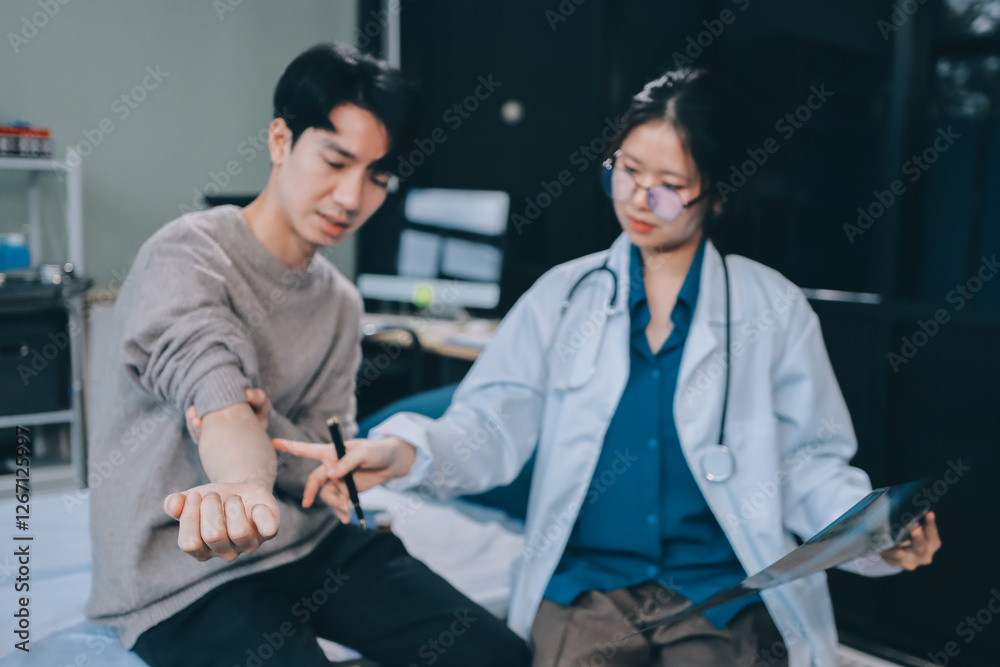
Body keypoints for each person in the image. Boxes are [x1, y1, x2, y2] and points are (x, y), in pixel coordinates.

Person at [273, 68, 941, 667]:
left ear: (718, 191)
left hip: (721, 589)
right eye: (627, 170)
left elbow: (810, 462)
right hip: (585, 587)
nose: (639, 199)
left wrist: (871, 533)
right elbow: (491, 423)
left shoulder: (773, 308)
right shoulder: (562, 297)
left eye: (671, 186)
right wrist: (402, 452)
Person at [84, 43, 530, 667]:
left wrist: (330, 462)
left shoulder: (341, 303)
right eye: (336, 160)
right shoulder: (187, 254)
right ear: (280, 140)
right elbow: (220, 402)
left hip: (311, 545)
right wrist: (244, 481)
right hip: (185, 568)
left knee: (495, 655)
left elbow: (322, 453)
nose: (352, 197)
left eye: (377, 176)